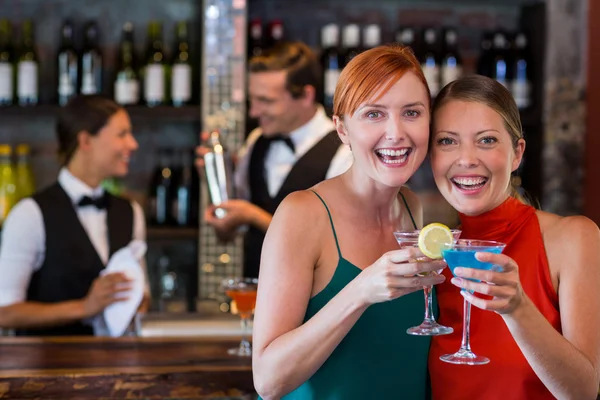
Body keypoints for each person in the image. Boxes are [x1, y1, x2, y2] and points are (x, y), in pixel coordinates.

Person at [252, 44, 447, 399]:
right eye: (374, 114)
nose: (396, 133)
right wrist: (360, 290)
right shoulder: (302, 214)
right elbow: (268, 380)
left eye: (412, 113)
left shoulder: (410, 205)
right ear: (342, 129)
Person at [428, 75, 600, 399]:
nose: (466, 159)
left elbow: (583, 392)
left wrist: (518, 308)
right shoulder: (435, 257)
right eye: (447, 141)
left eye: (487, 140)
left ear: (517, 152)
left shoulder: (573, 239)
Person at [197, 41, 353, 278]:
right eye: (253, 100)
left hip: (315, 301)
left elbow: (335, 246)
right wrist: (214, 181)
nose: (254, 112)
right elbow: (227, 234)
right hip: (257, 295)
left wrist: (252, 216)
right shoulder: (256, 141)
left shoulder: (343, 152)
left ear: (305, 96)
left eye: (266, 101)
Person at [0, 94, 148, 336]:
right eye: (122, 134)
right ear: (86, 141)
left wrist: (137, 300)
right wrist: (84, 307)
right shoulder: (29, 214)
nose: (133, 144)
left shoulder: (131, 212)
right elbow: (4, 312)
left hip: (117, 367)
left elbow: (142, 296)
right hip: (48, 369)